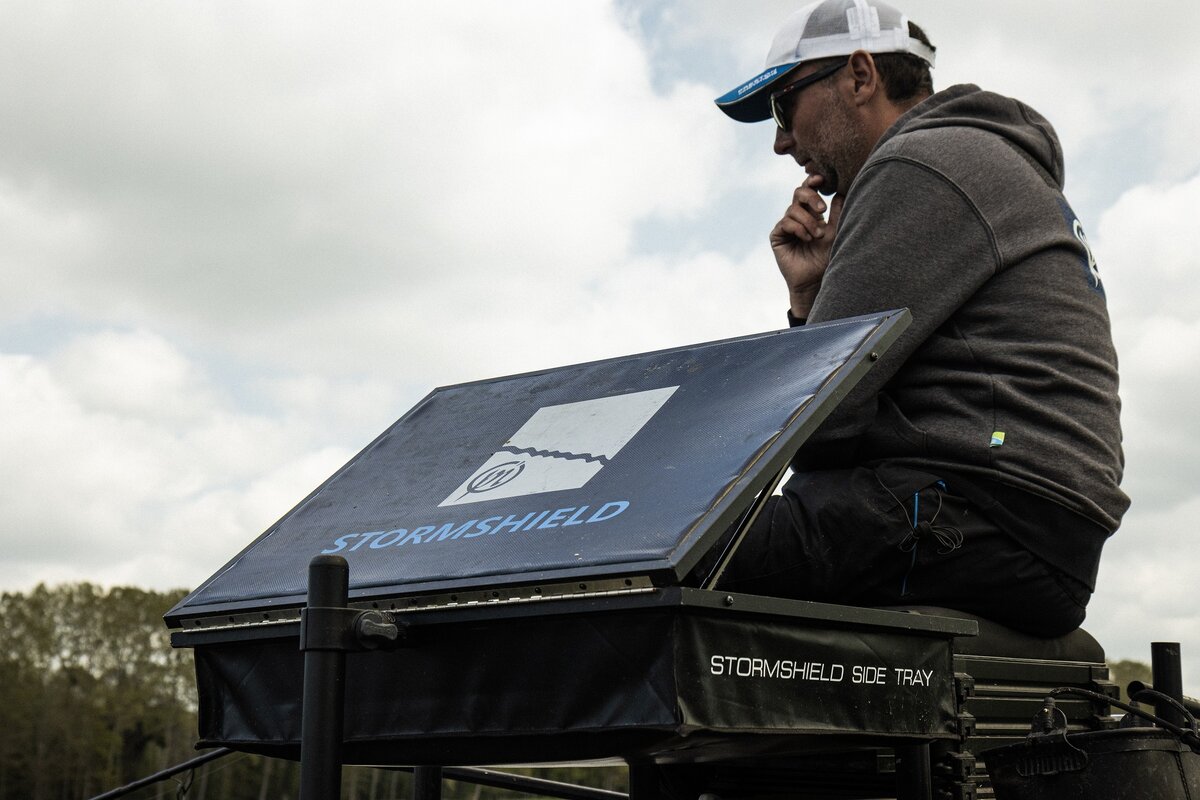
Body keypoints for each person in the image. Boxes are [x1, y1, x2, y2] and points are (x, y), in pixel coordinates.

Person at [710, 0, 1128, 637]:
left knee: (655, 549)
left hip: (972, 508)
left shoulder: (918, 163)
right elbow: (829, 425)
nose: (781, 141)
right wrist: (811, 298)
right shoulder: (979, 157)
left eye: (783, 106)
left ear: (860, 76)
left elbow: (820, 431)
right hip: (1031, 523)